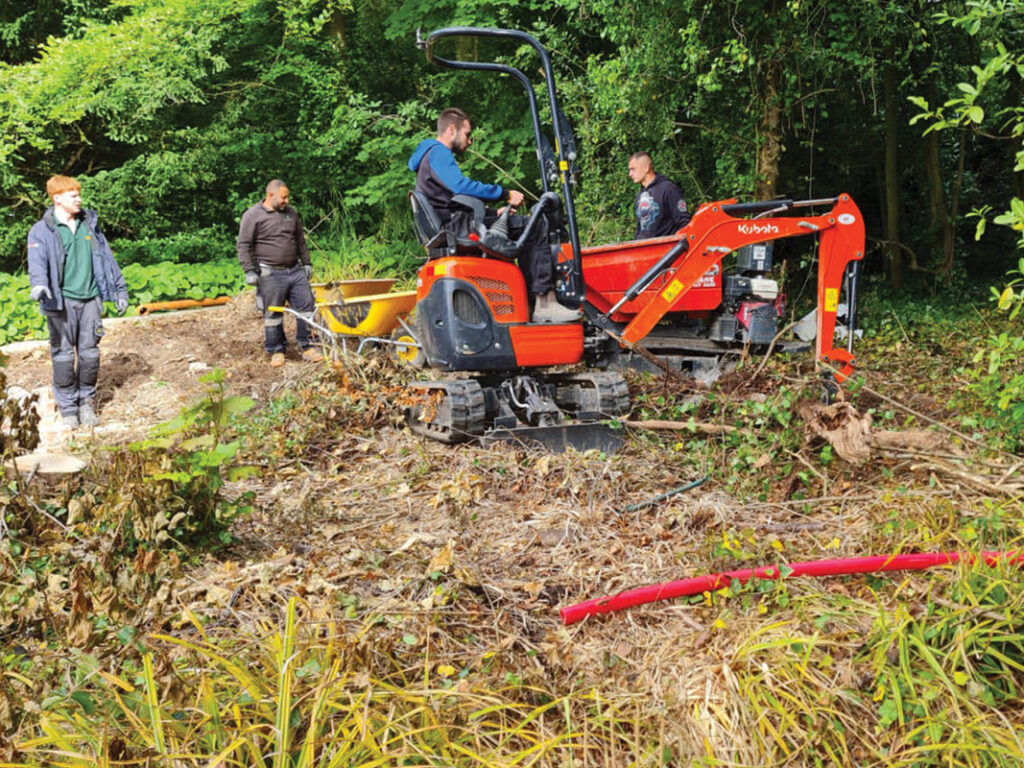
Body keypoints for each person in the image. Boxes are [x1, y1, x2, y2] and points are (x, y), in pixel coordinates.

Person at [408, 107, 578, 323]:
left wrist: (491, 213)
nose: (470, 141)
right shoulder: (438, 152)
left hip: (453, 224)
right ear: (451, 130)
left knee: (521, 227)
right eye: (467, 134)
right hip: (455, 227)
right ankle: (544, 302)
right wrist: (504, 194)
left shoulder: (427, 156)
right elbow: (460, 187)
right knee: (534, 226)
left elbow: (450, 200)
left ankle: (527, 302)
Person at [27, 175, 128, 428]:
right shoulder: (42, 230)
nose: (79, 199)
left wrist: (120, 290)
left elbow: (107, 259)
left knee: (89, 354)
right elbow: (37, 261)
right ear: (57, 198)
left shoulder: (89, 226)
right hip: (60, 303)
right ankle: (68, 407)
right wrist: (39, 284)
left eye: (78, 194)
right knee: (62, 355)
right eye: (73, 195)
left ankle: (86, 402)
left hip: (90, 300)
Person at [237, 180, 324, 366]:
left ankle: (308, 346)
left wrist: (306, 263)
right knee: (273, 313)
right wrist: (249, 270)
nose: (287, 200)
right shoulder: (252, 215)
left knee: (307, 307)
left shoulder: (291, 213)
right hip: (270, 272)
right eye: (283, 197)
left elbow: (300, 240)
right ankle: (276, 349)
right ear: (270, 195)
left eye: (287, 197)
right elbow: (243, 245)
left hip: (295, 270)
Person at [628, 152, 691, 239]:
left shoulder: (669, 189)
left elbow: (683, 222)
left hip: (665, 245)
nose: (630, 174)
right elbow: (640, 228)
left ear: (646, 168)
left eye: (633, 169)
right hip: (644, 246)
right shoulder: (640, 196)